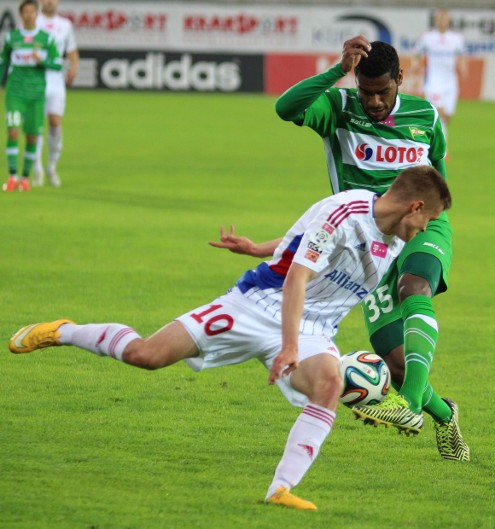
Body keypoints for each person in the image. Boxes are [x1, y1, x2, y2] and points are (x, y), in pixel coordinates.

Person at [9, 166, 451, 511]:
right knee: (146, 355)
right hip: (258, 304)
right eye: (428, 220)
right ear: (414, 207)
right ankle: (63, 331)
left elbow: (305, 241)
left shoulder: (392, 239)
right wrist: (289, 347)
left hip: (316, 329)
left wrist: (259, 246)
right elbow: (298, 274)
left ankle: (281, 489)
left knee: (330, 383)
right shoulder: (346, 211)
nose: (424, 230)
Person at [212, 37, 470, 461]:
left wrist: (433, 219)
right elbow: (286, 108)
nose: (371, 101)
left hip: (424, 225)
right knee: (399, 364)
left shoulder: (426, 116)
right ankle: (445, 415)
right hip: (368, 245)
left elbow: (439, 176)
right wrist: (337, 71)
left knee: (414, 287)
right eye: (365, 91)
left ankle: (405, 406)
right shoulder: (338, 107)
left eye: (381, 92)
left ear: (400, 80)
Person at [1, 0, 62, 193]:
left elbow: (57, 64)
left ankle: (25, 179)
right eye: (25, 12)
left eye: (31, 11)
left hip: (36, 95)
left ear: (36, 14)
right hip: (16, 93)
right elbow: (3, 61)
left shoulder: (46, 38)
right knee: (12, 132)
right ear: (21, 15)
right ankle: (12, 177)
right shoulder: (12, 38)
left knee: (32, 137)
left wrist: (41, 60)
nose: (28, 15)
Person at [33, 0, 79, 187]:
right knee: (36, 125)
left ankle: (51, 167)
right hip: (35, 78)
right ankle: (37, 170)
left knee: (54, 124)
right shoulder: (32, 21)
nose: (49, 1)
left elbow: (71, 51)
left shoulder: (65, 24)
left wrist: (74, 66)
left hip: (56, 80)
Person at [412, 9, 466, 141]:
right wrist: (416, 66)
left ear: (448, 21)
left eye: (444, 18)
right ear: (435, 21)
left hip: (450, 82)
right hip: (433, 81)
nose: (442, 21)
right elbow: (417, 53)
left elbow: (462, 55)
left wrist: (463, 68)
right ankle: (442, 149)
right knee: (439, 112)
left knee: (447, 117)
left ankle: (431, 139)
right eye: (439, 18)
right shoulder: (427, 37)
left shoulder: (456, 38)